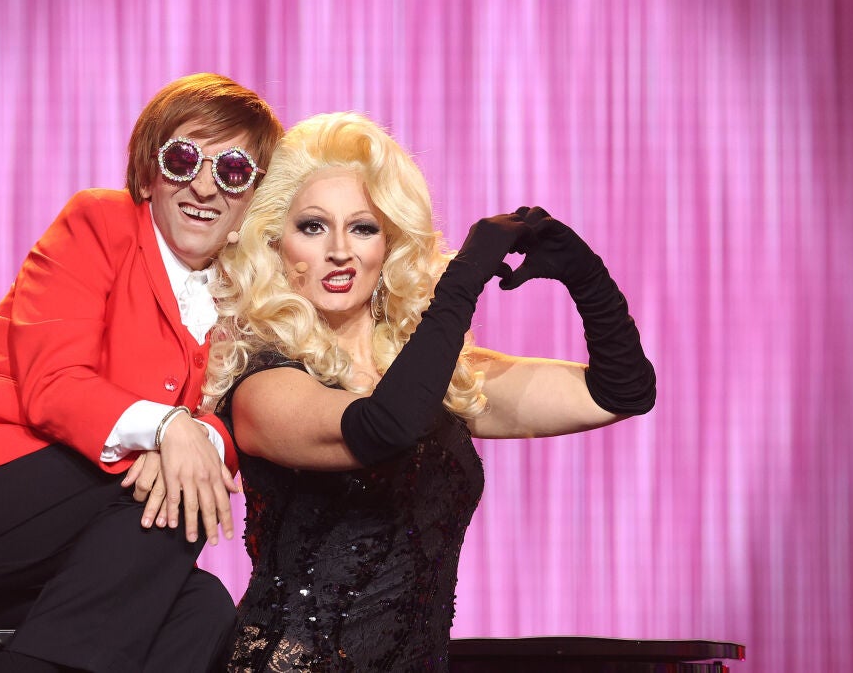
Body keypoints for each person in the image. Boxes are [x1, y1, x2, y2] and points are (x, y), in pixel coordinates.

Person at [203, 112, 656, 672]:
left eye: (363, 228)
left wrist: (584, 273)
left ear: (390, 243)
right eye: (313, 227)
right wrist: (463, 277)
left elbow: (622, 391)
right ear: (274, 243)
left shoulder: (437, 379)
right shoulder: (263, 384)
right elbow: (384, 426)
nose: (340, 250)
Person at [0, 73, 284, 673]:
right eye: (181, 160)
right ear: (148, 174)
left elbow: (237, 422)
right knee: (176, 498)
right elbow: (53, 384)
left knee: (202, 611)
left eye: (231, 171)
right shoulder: (100, 223)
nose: (204, 186)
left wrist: (196, 437)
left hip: (57, 563)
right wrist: (170, 428)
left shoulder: (248, 298)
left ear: (254, 196)